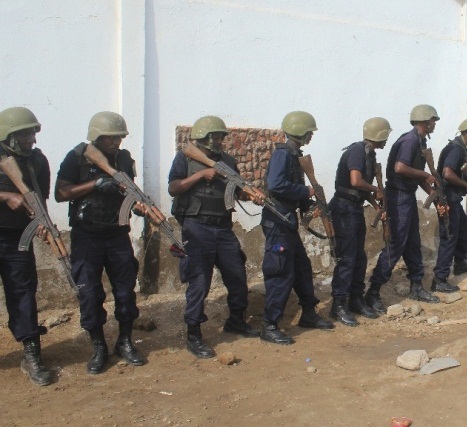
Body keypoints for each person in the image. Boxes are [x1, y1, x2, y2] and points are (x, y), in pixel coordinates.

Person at [55, 111, 145, 374]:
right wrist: (95, 184)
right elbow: (61, 193)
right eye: (111, 138)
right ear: (97, 137)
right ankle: (98, 347)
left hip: (117, 234)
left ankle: (125, 342)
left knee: (126, 291)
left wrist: (139, 205)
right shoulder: (77, 157)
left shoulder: (124, 159)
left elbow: (129, 190)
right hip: (87, 237)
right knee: (90, 293)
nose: (116, 142)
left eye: (120, 137)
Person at [167, 116, 263, 358]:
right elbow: (173, 188)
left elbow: (237, 191)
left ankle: (236, 320)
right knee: (200, 280)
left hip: (223, 227)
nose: (220, 140)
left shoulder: (228, 161)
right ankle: (194, 333)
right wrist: (201, 175)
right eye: (216, 136)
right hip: (196, 226)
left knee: (237, 273)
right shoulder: (185, 158)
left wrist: (251, 194)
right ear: (204, 137)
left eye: (222, 136)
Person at [260, 111, 333, 345]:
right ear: (300, 131)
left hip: (287, 220)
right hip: (277, 220)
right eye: (309, 132)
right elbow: (276, 184)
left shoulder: (294, 155)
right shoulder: (283, 154)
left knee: (302, 268)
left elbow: (291, 188)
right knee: (280, 272)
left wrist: (310, 206)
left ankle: (309, 314)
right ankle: (270, 325)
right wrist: (307, 192)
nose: (311, 135)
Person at [365, 104, 442, 311]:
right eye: (433, 120)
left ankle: (416, 286)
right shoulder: (409, 141)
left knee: (412, 243)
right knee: (396, 244)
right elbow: (401, 168)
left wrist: (434, 195)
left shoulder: (419, 140)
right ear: (425, 121)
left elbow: (415, 174)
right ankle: (373, 292)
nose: (434, 124)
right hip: (399, 197)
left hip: (406, 196)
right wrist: (426, 175)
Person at [0, 107, 53, 386]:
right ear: (9, 135)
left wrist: (43, 223)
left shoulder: (37, 161)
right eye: (25, 134)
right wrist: (5, 195)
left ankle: (32, 354)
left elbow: (39, 197)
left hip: (16, 238)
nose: (32, 139)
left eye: (33, 132)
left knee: (23, 292)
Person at [328, 117, 392, 326]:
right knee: (347, 258)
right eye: (385, 135)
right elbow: (356, 181)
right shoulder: (357, 150)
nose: (386, 139)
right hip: (344, 208)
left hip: (354, 207)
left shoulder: (369, 154)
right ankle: (338, 305)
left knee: (359, 257)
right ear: (379, 135)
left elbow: (361, 190)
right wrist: (377, 190)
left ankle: (355, 299)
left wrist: (376, 205)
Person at [431, 119, 467, 293]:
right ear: (463, 132)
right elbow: (447, 173)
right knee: (449, 237)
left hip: (453, 198)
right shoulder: (455, 148)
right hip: (447, 198)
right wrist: (466, 186)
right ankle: (440, 279)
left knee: (463, 230)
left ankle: (460, 263)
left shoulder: (461, 148)